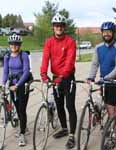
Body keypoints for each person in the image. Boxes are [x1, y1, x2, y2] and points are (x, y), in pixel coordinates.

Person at [40, 13, 77, 149]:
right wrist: (43, 74)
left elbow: (70, 61)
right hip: (56, 78)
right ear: (53, 27)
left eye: (61, 26)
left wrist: (62, 76)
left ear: (64, 27)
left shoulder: (70, 42)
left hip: (67, 78)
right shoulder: (49, 42)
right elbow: (45, 58)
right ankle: (64, 128)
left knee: (70, 106)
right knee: (59, 105)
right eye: (56, 26)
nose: (59, 28)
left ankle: (72, 135)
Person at [87, 21, 116, 118]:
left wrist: (106, 78)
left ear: (113, 33)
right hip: (104, 81)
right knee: (103, 102)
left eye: (109, 32)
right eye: (104, 32)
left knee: (110, 106)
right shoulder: (98, 48)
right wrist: (91, 77)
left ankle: (113, 130)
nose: (106, 34)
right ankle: (109, 122)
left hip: (115, 81)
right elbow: (95, 64)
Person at [2, 34, 30, 147]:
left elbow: (26, 71)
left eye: (16, 44)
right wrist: (3, 84)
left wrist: (18, 85)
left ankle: (22, 134)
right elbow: (5, 71)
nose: (13, 46)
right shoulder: (7, 56)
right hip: (12, 84)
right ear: (9, 45)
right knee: (18, 109)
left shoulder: (23, 55)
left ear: (19, 45)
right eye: (12, 44)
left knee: (22, 109)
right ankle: (24, 127)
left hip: (22, 85)